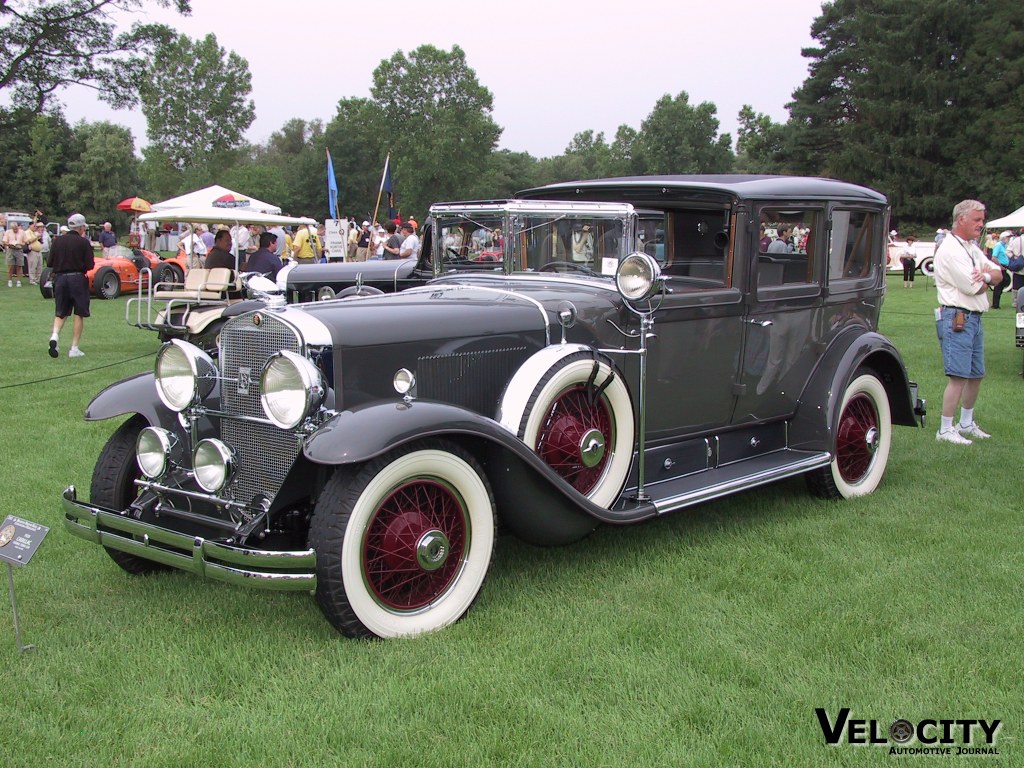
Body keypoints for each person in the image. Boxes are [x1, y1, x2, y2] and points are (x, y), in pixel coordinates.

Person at [933, 199, 1000, 445]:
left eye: (982, 220)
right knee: (958, 375)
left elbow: (998, 273)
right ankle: (945, 428)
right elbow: (973, 288)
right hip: (958, 318)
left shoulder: (970, 247)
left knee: (976, 374)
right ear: (961, 219)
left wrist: (986, 275)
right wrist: (987, 280)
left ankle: (966, 422)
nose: (981, 225)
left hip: (974, 318)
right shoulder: (950, 249)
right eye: (977, 220)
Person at [48, 213, 95, 358]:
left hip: (60, 279)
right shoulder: (84, 243)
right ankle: (74, 348)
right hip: (77, 279)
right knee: (79, 313)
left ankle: (54, 336)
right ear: (81, 227)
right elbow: (90, 265)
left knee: (61, 312)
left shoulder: (57, 241)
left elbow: (50, 263)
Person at [990, 230, 1012, 309]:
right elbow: (994, 257)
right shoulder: (998, 245)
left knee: (1002, 284)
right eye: (1008, 237)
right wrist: (1000, 266)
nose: (1009, 239)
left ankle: (996, 303)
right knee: (998, 286)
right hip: (1000, 267)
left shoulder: (1004, 246)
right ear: (1004, 238)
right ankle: (995, 304)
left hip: (1004, 267)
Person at [4, 220, 25, 287]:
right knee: (10, 266)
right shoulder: (8, 232)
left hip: (19, 250)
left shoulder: (22, 232)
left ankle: (18, 281)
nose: (15, 230)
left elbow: (25, 242)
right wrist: (9, 244)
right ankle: (10, 280)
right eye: (14, 229)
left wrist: (20, 244)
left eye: (16, 229)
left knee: (19, 266)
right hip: (11, 249)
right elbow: (5, 241)